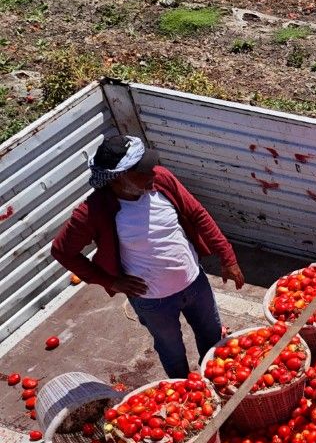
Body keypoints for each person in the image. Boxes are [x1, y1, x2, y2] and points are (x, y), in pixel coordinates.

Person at [51, 134, 245, 379]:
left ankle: (216, 382)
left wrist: (227, 257)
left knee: (212, 338)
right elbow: (62, 251)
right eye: (143, 171)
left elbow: (197, 214)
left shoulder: (161, 180)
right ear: (119, 177)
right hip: (153, 301)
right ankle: (184, 393)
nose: (153, 172)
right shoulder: (93, 210)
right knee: (171, 350)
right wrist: (110, 282)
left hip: (195, 284)